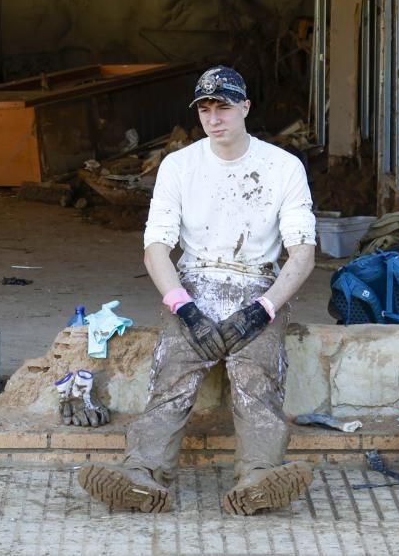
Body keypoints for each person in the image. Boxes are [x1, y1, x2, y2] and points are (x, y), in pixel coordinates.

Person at [77, 65, 318, 515]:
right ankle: (141, 475)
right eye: (205, 109)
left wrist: (262, 310)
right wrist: (185, 310)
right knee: (172, 374)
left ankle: (259, 478)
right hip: (194, 284)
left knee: (256, 378)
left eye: (223, 106)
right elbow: (155, 250)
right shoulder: (179, 166)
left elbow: (302, 253)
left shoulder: (283, 167)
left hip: (257, 285)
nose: (214, 118)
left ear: (245, 107)